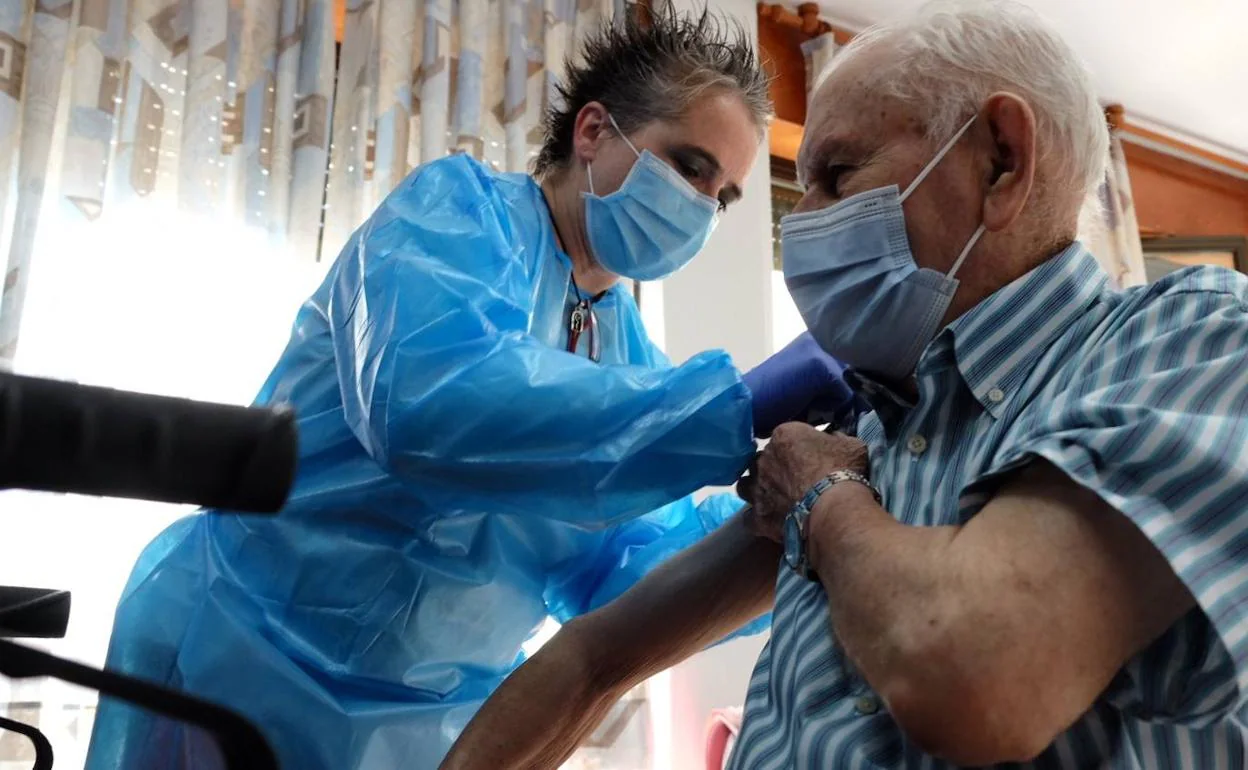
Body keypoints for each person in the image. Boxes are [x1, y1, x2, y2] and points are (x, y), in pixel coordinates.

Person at [437, 2, 1248, 768]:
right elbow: (592, 658)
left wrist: (819, 500)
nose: (802, 220)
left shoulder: (1191, 337)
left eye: (836, 173)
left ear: (1002, 160)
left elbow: (975, 670)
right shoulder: (882, 429)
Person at [83, 9, 859, 770]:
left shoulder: (633, 365)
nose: (700, 207)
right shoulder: (453, 216)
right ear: (593, 131)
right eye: (690, 166)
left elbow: (617, 573)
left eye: (721, 196)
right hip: (234, 655)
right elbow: (429, 405)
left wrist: (792, 510)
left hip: (410, 727)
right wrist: (741, 402)